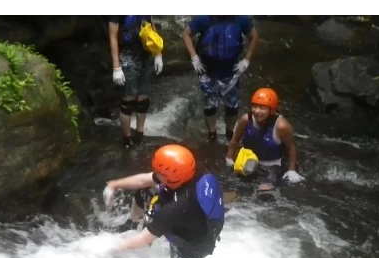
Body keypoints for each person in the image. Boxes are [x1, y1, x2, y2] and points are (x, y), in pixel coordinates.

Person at [102, 144, 224, 258]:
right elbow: (144, 180)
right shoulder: (191, 171)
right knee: (145, 190)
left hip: (194, 243)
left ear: (171, 179)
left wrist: (110, 249)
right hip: (193, 216)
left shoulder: (176, 208)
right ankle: (131, 224)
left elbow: (143, 239)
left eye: (159, 172)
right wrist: (114, 184)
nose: (155, 173)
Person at [182, 16, 259, 144]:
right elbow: (186, 34)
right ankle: (212, 134)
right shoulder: (203, 18)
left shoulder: (240, 19)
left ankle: (230, 133)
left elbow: (254, 37)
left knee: (232, 106)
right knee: (210, 105)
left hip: (231, 70)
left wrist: (246, 60)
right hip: (207, 70)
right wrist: (194, 57)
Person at [225, 87, 304, 191]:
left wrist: (291, 170)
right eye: (254, 106)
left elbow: (291, 147)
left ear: (272, 109)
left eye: (262, 108)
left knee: (264, 191)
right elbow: (235, 139)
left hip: (271, 165)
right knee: (232, 186)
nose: (256, 111)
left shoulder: (282, 126)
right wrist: (229, 158)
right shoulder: (246, 119)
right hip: (247, 160)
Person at [109, 16, 164, 148]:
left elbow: (152, 28)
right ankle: (127, 139)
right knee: (129, 99)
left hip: (144, 57)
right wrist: (116, 67)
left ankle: (139, 134)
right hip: (126, 58)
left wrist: (158, 54)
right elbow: (113, 37)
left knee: (143, 99)